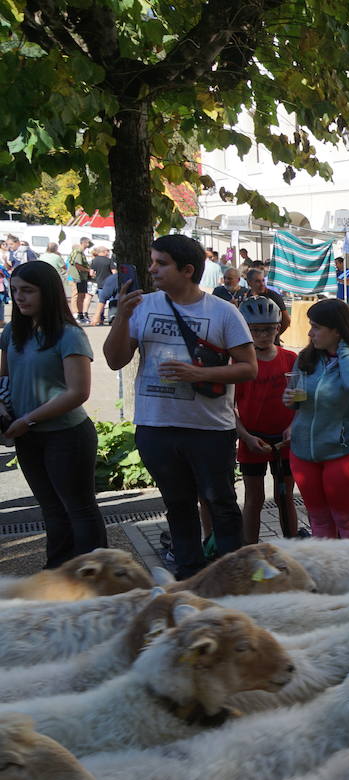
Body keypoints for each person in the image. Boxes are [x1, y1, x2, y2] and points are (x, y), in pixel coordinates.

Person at [103, 234, 256, 579]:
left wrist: (196, 372)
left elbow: (248, 367)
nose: (152, 269)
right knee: (178, 505)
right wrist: (122, 317)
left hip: (209, 429)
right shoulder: (142, 305)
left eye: (161, 263)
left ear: (187, 271)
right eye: (152, 261)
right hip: (156, 426)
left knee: (221, 504)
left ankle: (235, 577)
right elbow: (114, 360)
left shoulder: (222, 311)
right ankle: (190, 576)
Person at [0, 260, 105, 566]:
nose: (19, 297)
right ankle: (58, 575)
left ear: (48, 292)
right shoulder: (12, 331)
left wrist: (27, 419)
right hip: (27, 434)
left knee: (79, 509)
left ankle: (95, 577)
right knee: (50, 508)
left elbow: (78, 392)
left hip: (67, 435)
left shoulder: (69, 335)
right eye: (15, 290)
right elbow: (3, 377)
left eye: (28, 291)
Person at [284, 299, 349, 538]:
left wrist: (344, 349)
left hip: (343, 452)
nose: (310, 332)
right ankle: (326, 572)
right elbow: (297, 401)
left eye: (316, 327)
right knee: (319, 520)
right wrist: (291, 400)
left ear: (336, 330)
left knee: (347, 520)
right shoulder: (306, 358)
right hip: (303, 452)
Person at [233, 296, 298, 543]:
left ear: (278, 327)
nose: (263, 335)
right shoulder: (239, 363)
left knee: (285, 497)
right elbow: (229, 408)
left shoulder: (290, 359)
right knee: (254, 499)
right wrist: (246, 437)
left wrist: (293, 426)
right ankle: (249, 551)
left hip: (284, 441)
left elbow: (301, 400)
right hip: (253, 440)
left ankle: (292, 547)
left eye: (270, 328)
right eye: (257, 330)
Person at [68, 238, 92, 325]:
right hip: (78, 277)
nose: (89, 244)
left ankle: (79, 314)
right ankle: (78, 315)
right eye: (88, 243)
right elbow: (77, 265)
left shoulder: (79, 252)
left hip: (79, 277)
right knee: (79, 296)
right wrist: (88, 270)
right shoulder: (78, 252)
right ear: (84, 243)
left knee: (80, 296)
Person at [89, 245, 114, 323]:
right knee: (112, 301)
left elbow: (91, 273)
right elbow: (114, 272)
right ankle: (112, 317)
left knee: (101, 301)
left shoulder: (94, 260)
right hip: (109, 284)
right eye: (107, 251)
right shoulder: (109, 261)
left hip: (100, 283)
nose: (108, 252)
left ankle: (101, 318)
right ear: (104, 252)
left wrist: (96, 276)